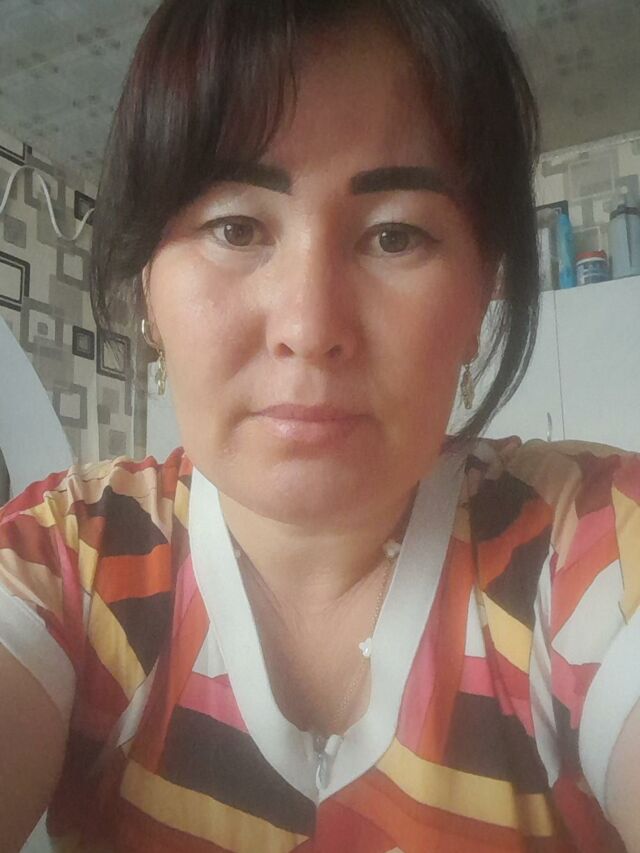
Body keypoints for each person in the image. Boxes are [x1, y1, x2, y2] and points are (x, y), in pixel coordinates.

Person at [1, 0, 638, 850]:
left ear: (483, 292)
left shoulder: (587, 541)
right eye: (235, 227)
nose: (308, 325)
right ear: (147, 284)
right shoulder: (69, 559)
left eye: (395, 236)